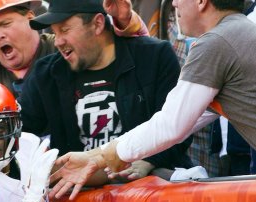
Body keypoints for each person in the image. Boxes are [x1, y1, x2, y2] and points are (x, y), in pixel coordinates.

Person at [50, 0, 256, 199]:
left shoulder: (215, 43)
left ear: (201, 1)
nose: (174, 4)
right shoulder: (238, 31)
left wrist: (99, 157)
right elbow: (185, 120)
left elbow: (170, 125)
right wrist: (94, 157)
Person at [18, 0, 192, 190]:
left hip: (152, 194)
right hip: (81, 199)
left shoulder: (153, 57)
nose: (58, 41)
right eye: (54, 32)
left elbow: (180, 124)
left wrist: (151, 160)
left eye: (65, 30)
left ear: (98, 23)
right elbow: (21, 134)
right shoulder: (47, 74)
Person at [0, 0, 149, 97]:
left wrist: (125, 21)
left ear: (30, 17)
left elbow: (131, 57)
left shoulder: (63, 50)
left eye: (5, 24)